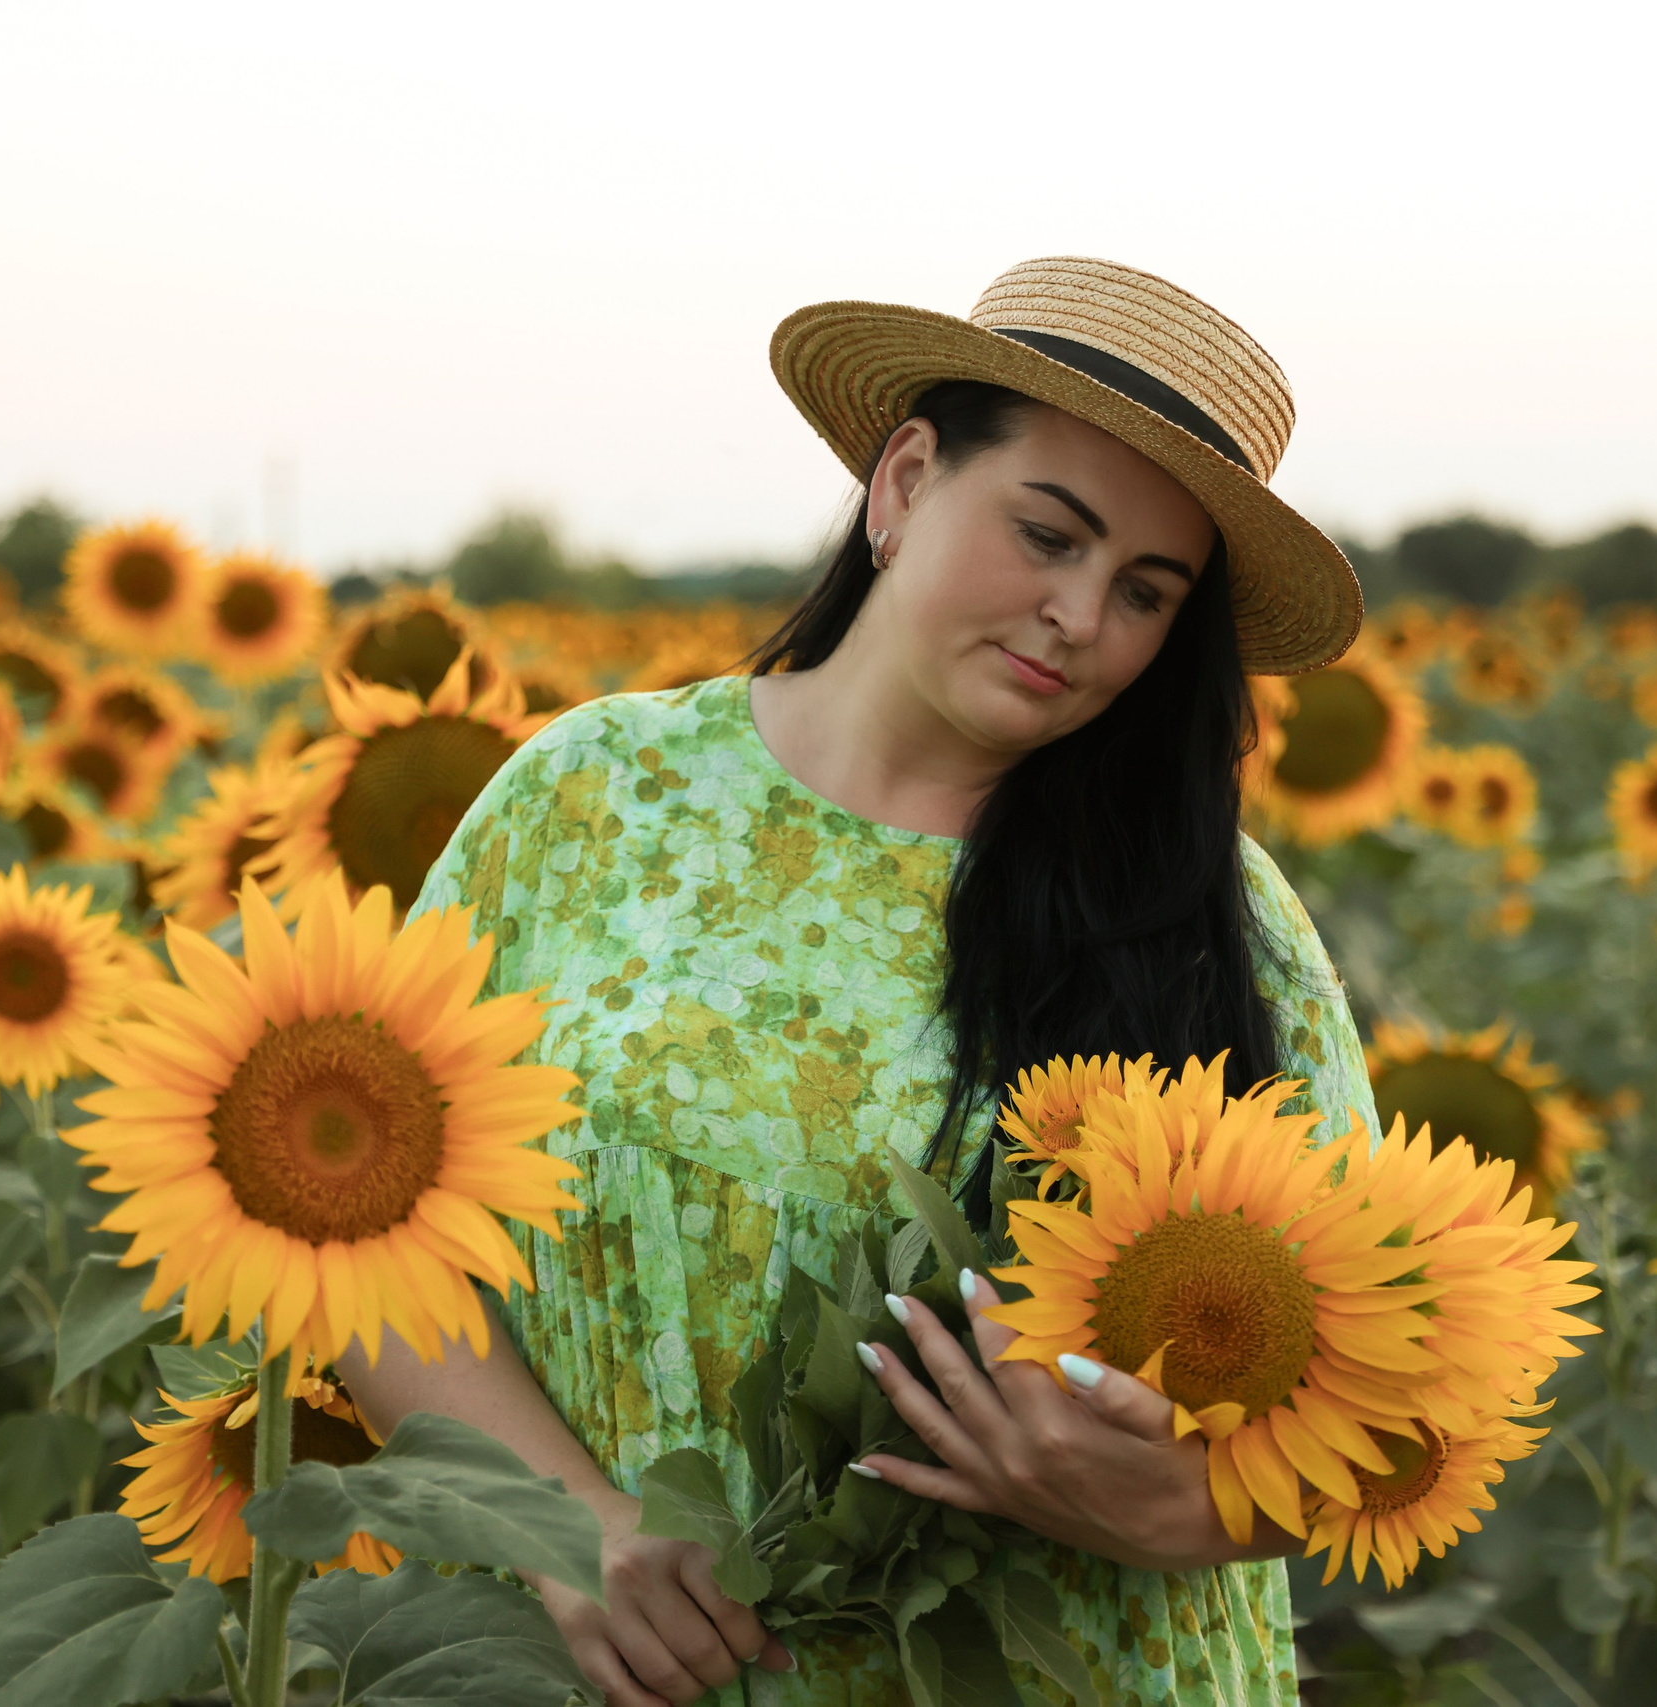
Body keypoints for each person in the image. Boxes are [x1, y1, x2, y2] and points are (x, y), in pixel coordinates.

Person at [338, 256, 1382, 1705]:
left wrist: (1187, 1509)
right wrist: (563, 1531)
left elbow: (1381, 1393)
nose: (1081, 617)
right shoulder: (594, 800)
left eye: (1146, 592)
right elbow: (361, 1232)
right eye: (1047, 535)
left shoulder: (1213, 918)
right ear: (901, 484)